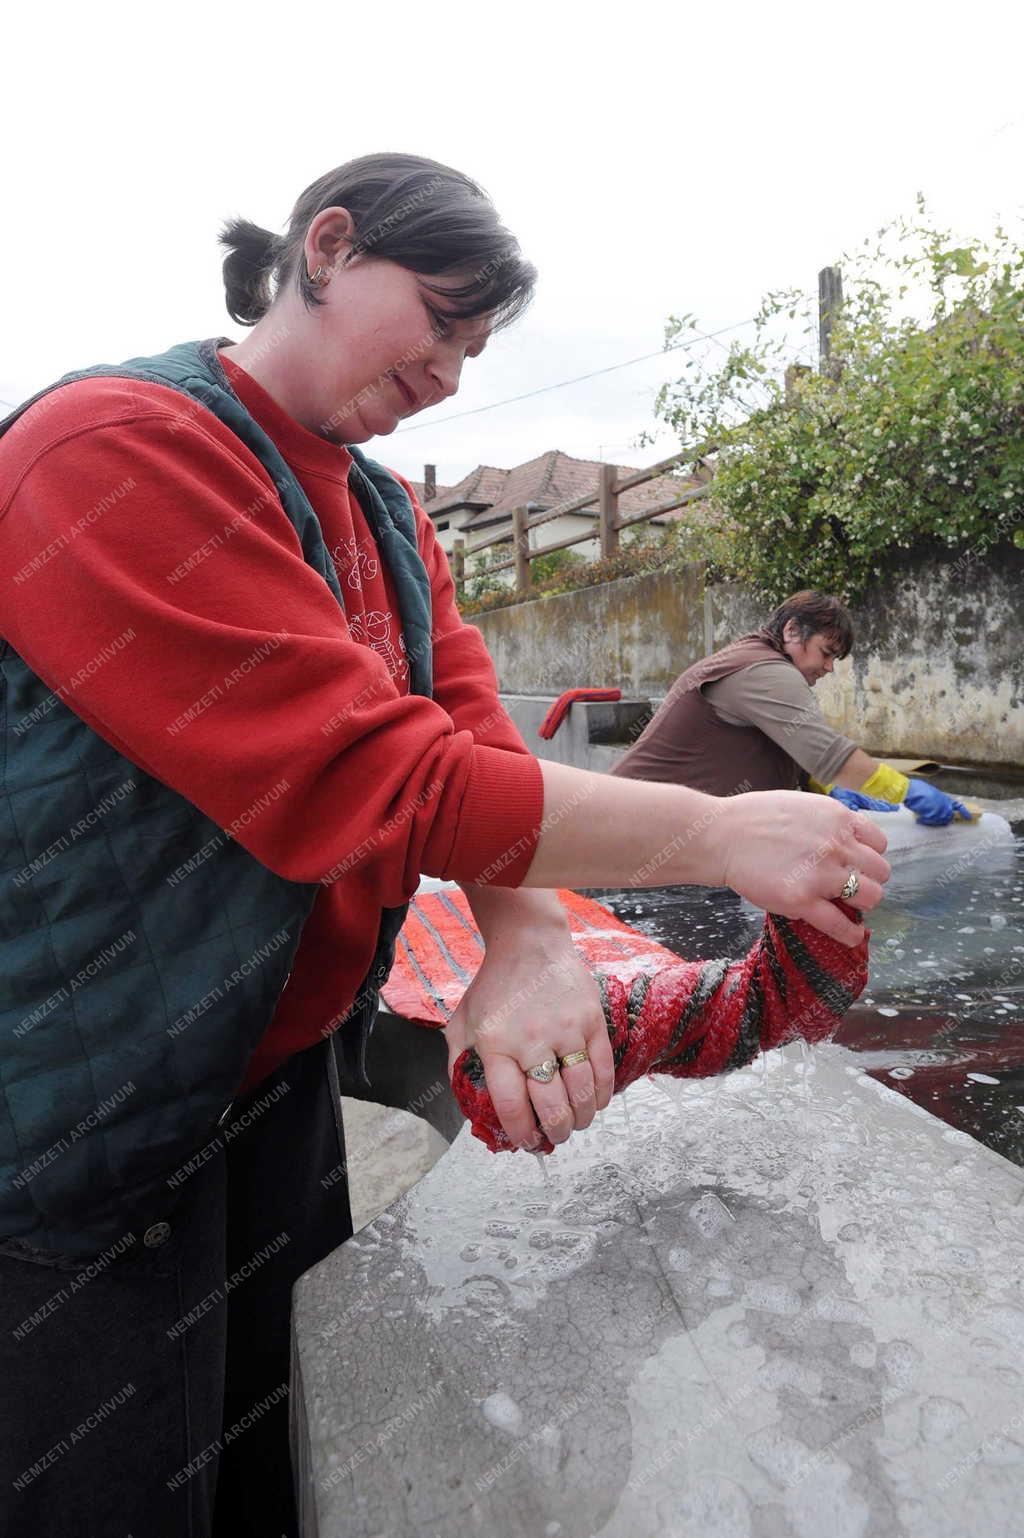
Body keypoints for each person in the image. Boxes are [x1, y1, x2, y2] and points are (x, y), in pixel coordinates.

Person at [0, 155, 890, 1538]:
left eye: (479, 349)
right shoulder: (111, 450)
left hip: (275, 1073)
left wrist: (528, 939)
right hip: (76, 1095)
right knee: (103, 1476)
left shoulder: (389, 514)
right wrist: (722, 835)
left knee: (268, 1443)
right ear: (328, 248)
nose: (455, 375)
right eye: (441, 321)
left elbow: (466, 730)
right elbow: (374, 778)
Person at [611, 589, 971, 825]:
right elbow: (828, 754)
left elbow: (789, 744)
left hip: (664, 829)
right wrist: (906, 791)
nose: (829, 668)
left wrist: (824, 787)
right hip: (635, 830)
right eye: (827, 653)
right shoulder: (764, 671)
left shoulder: (753, 659)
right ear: (792, 631)